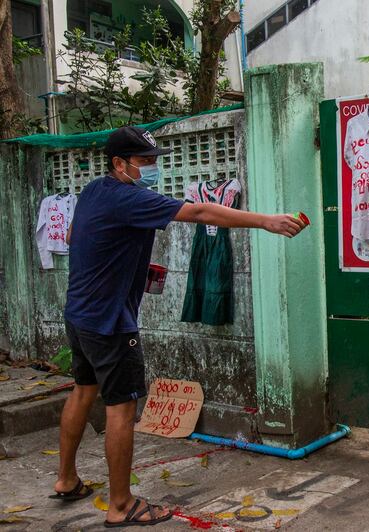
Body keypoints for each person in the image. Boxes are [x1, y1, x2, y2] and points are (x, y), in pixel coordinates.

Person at [50, 126, 306, 527]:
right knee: (121, 406)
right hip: (110, 321)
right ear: (119, 164)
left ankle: (66, 480)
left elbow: (72, 235)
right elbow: (200, 211)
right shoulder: (129, 197)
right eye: (144, 162)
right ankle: (120, 505)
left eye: (154, 160)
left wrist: (118, 261)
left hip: (79, 313)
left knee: (83, 392)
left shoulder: (93, 192)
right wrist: (266, 221)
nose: (152, 168)